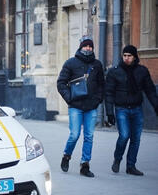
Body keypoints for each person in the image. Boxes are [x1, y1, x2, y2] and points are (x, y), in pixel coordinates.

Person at [105, 45, 158, 176]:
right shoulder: (114, 72)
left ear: (135, 57)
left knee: (136, 138)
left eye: (129, 56)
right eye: (125, 56)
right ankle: (117, 159)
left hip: (137, 108)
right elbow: (109, 93)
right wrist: (110, 113)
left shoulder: (142, 71)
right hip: (121, 108)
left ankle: (131, 166)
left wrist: (156, 106)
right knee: (124, 135)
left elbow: (150, 90)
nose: (127, 58)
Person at [57, 36, 105, 177]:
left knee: (89, 136)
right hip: (75, 106)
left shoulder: (97, 65)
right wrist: (69, 98)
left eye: (90, 46)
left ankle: (85, 165)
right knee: (74, 134)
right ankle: (66, 156)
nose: (88, 48)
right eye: (85, 46)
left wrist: (98, 99)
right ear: (80, 47)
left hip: (91, 107)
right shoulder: (70, 63)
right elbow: (61, 83)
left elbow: (102, 84)